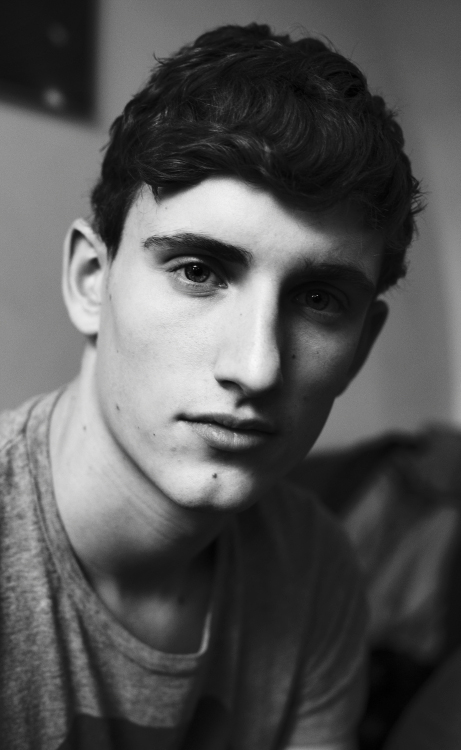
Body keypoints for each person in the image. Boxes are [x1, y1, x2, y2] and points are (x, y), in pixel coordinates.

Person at [0, 23, 422, 750]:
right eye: (198, 271)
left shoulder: (313, 568)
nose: (258, 367)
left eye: (319, 300)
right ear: (91, 281)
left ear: (361, 346)